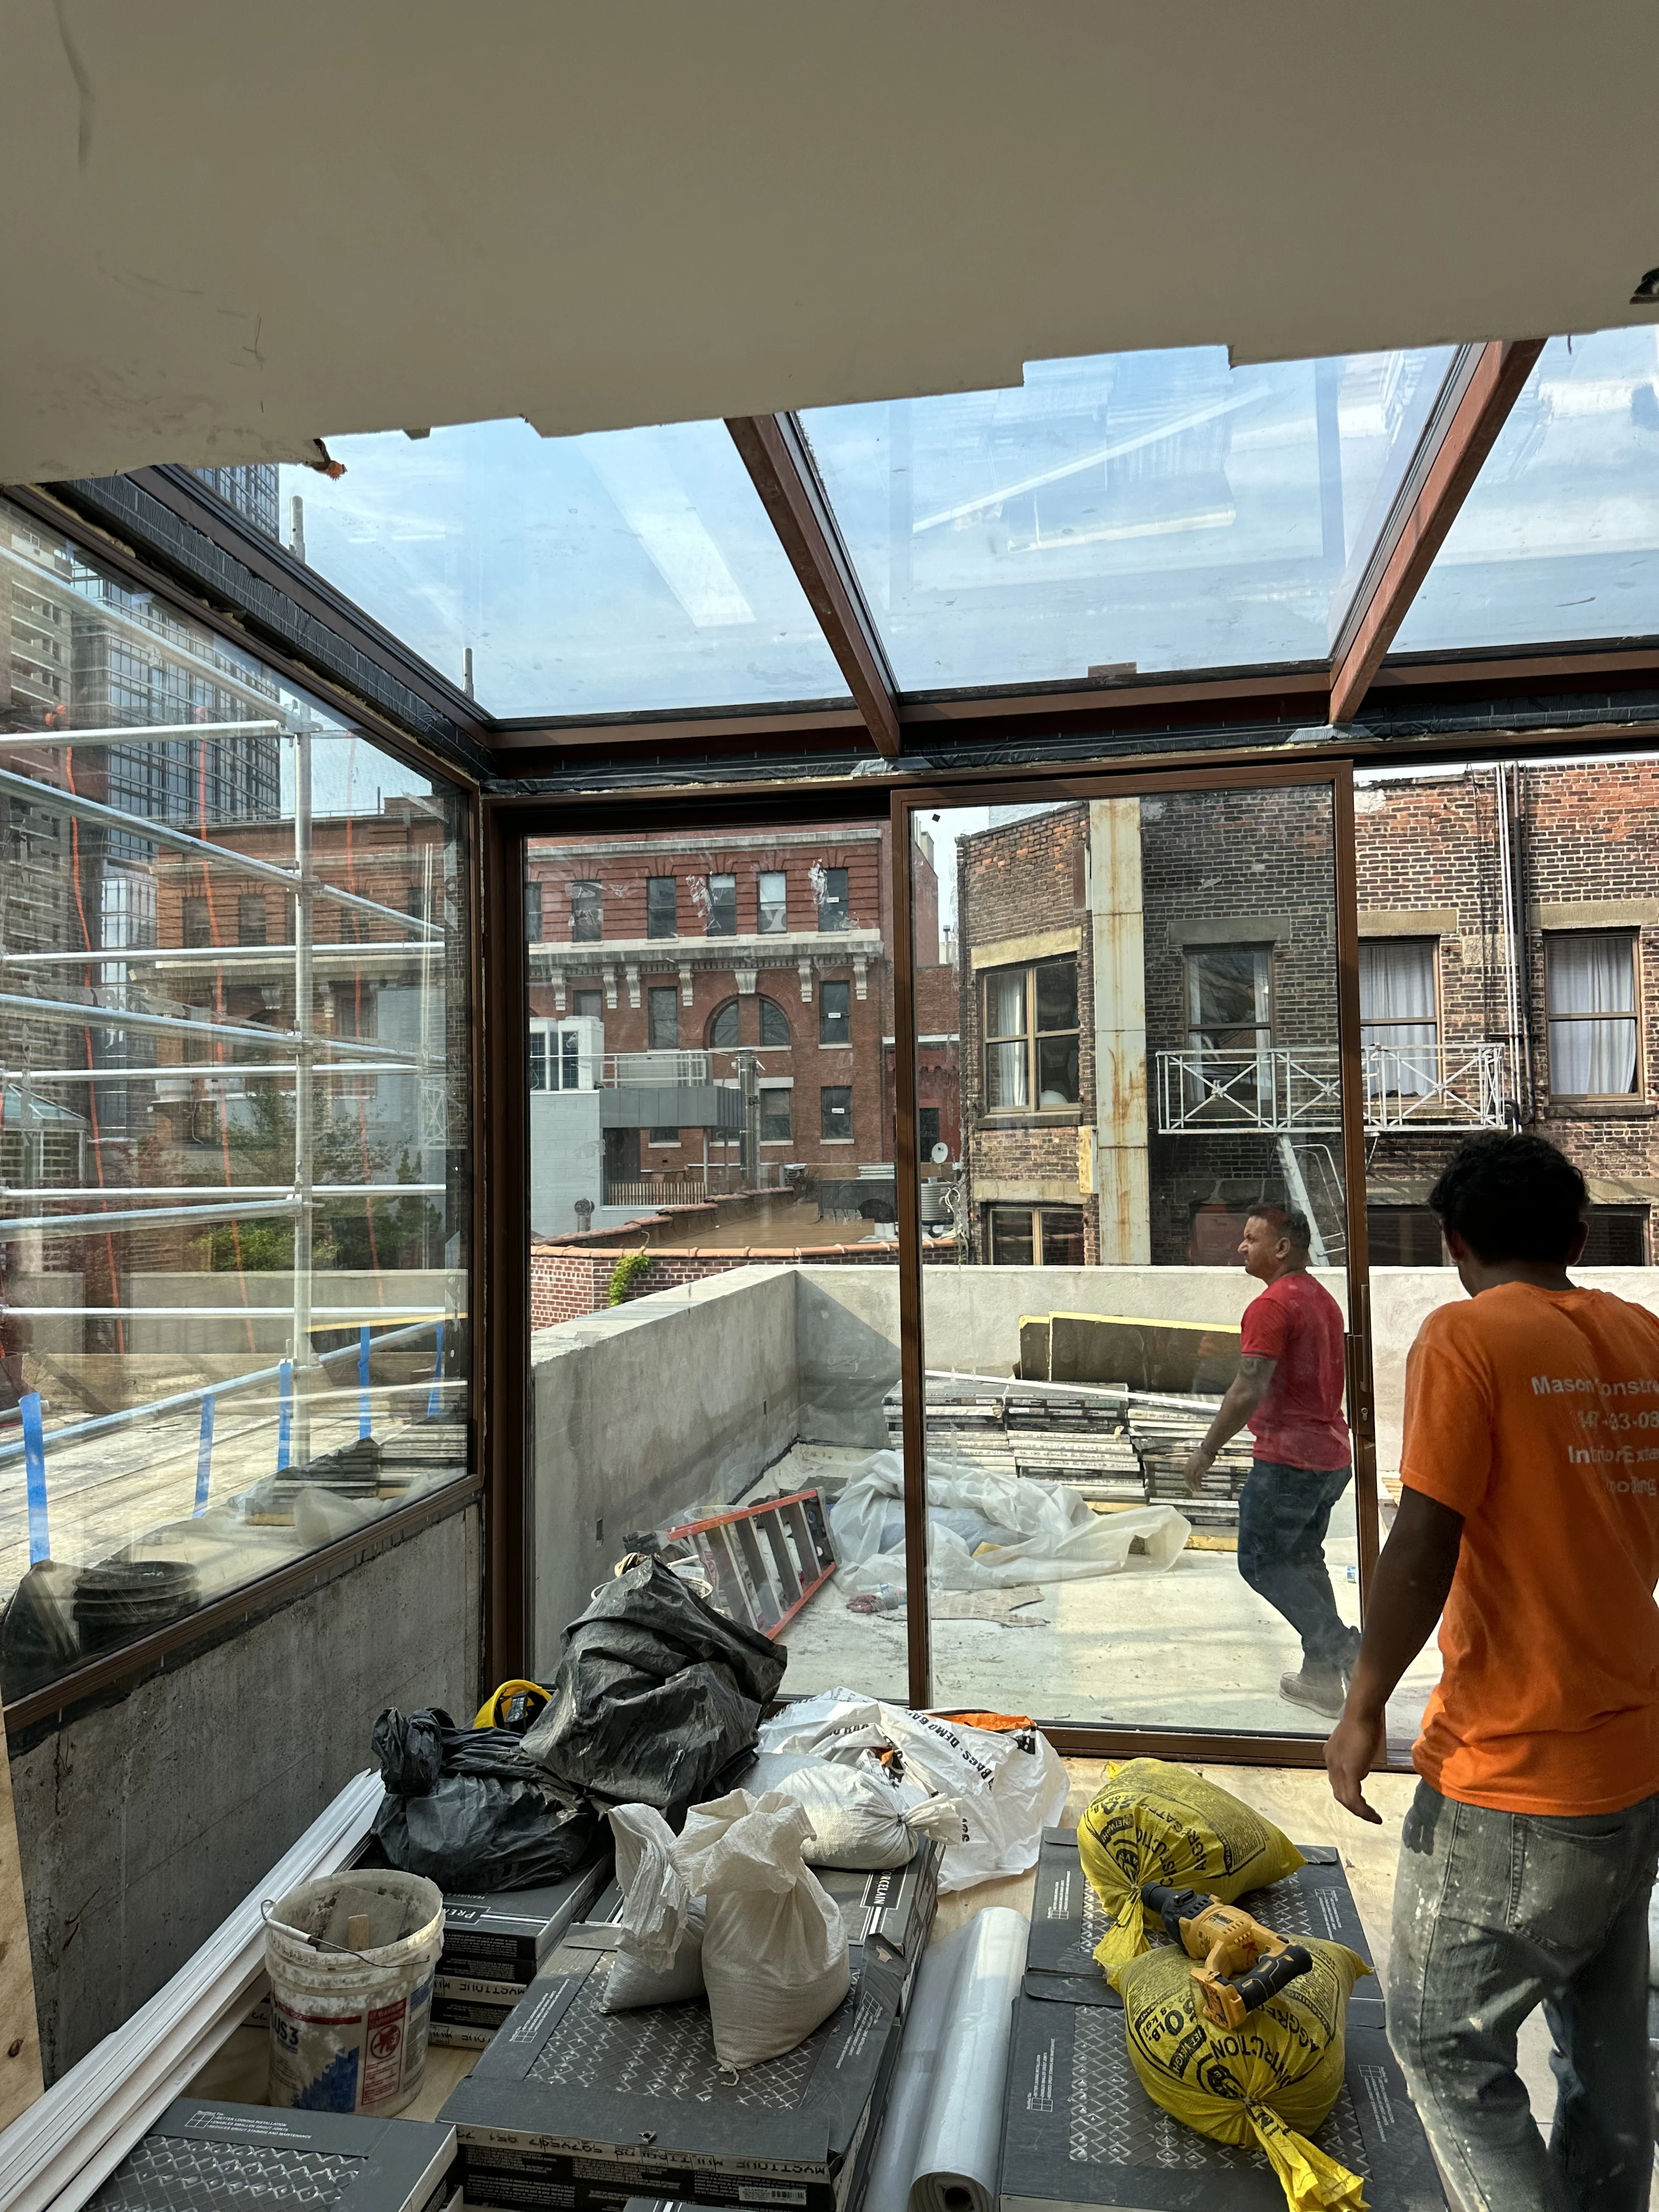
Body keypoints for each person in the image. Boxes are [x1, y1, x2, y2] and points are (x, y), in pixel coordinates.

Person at [1327, 1133, 1659, 2211]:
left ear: (1454, 1243)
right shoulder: (1642, 1338)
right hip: (1634, 1764)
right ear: (1576, 1236)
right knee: (1607, 2059)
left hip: (1515, 1773)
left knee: (1441, 2049)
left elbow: (1424, 1537)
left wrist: (1364, 1699)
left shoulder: (1466, 1339)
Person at [1182, 1205, 1356, 1717]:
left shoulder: (1272, 1305)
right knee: (1304, 1560)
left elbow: (1248, 1385)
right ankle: (1321, 1681)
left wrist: (1208, 1447)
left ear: (1282, 1248)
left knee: (1260, 1562)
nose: (1241, 1247)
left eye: (1252, 1238)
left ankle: (1347, 1650)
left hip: (1289, 1461)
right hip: (1330, 1457)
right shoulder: (1321, 1300)